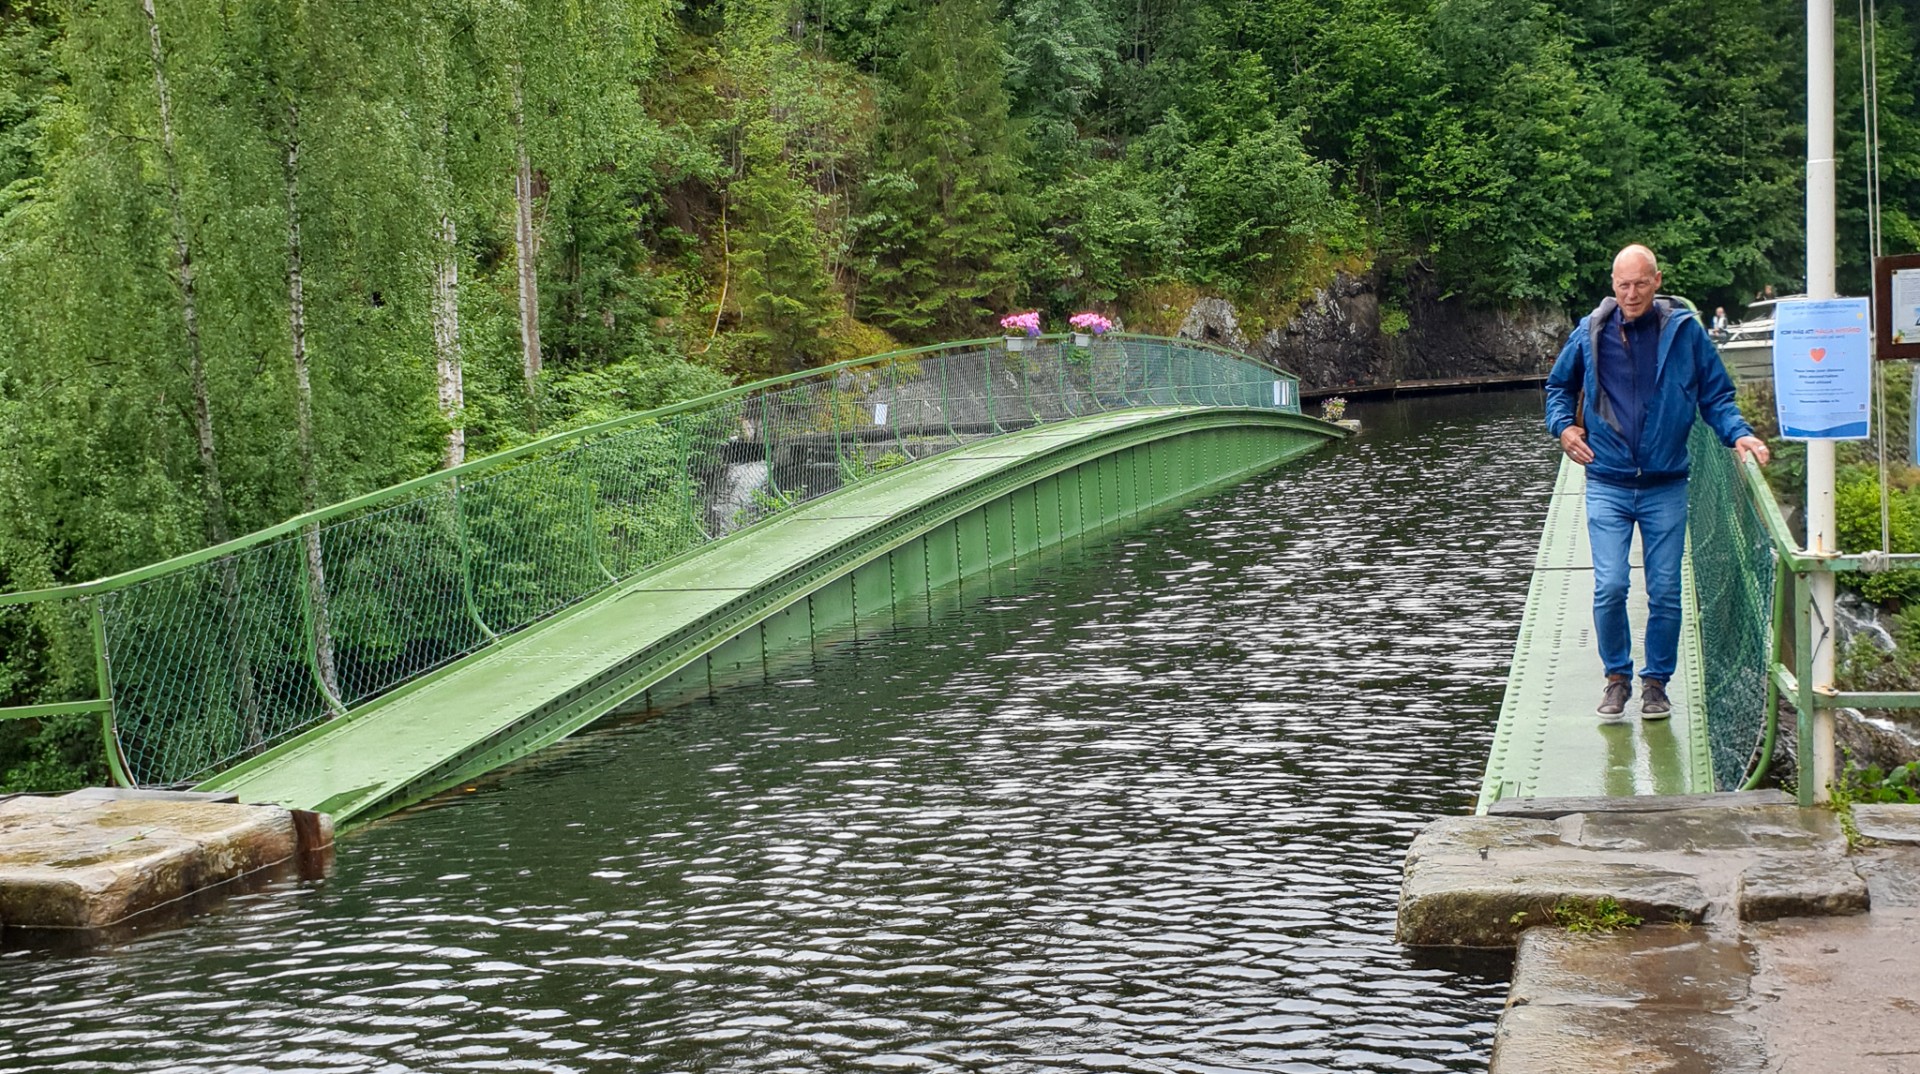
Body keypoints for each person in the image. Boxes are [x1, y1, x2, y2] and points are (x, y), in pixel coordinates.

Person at [1543, 245, 1771, 718]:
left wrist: (1741, 434)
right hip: (1607, 479)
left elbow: (1717, 396)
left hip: (1667, 482)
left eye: (1640, 283)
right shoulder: (1589, 333)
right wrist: (1564, 427)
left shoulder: (1685, 333)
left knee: (1665, 590)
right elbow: (1558, 388)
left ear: (1658, 281)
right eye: (1623, 285)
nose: (1631, 293)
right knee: (1609, 586)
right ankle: (1616, 677)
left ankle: (1656, 683)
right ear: (1612, 285)